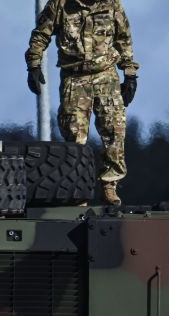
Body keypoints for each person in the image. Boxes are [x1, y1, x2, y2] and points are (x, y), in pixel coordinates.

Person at [25, 0, 139, 206]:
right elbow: (41, 34)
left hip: (106, 75)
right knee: (74, 135)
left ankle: (110, 186)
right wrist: (33, 64)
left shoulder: (111, 4)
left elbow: (123, 39)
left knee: (114, 131)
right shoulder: (60, 4)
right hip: (74, 77)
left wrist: (130, 74)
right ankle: (78, 189)